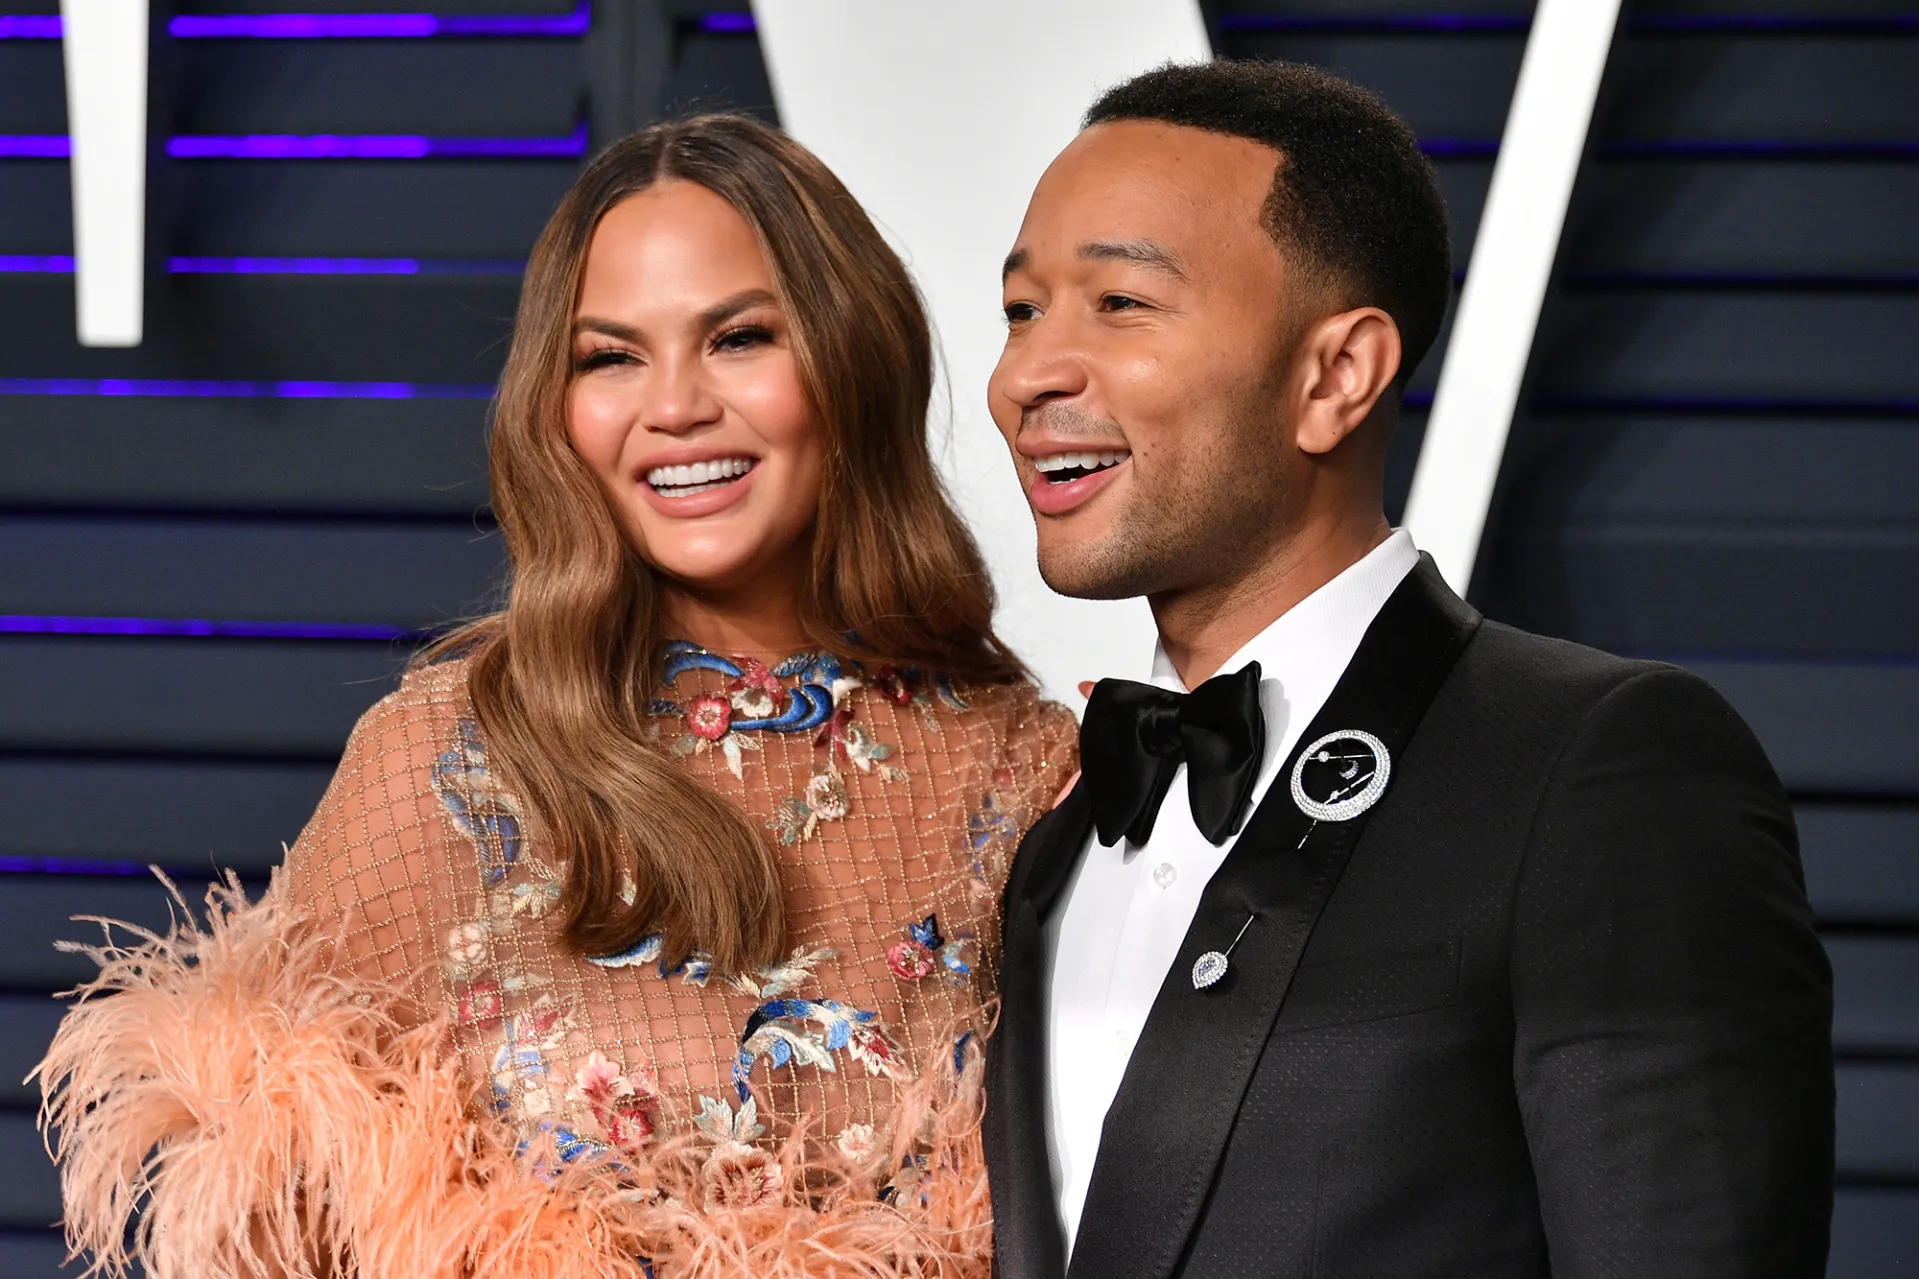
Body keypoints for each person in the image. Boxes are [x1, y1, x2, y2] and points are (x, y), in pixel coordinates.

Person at [39, 113, 1076, 1279]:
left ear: (851, 359)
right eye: (610, 357)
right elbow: (269, 1237)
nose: (673, 405)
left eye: (737, 337)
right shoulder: (440, 762)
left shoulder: (1020, 768)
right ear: (557, 405)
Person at [983, 60, 1833, 1278]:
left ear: (1336, 375)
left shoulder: (1595, 768)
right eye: (1021, 311)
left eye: (1120, 302)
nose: (1026, 376)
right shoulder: (1048, 835)